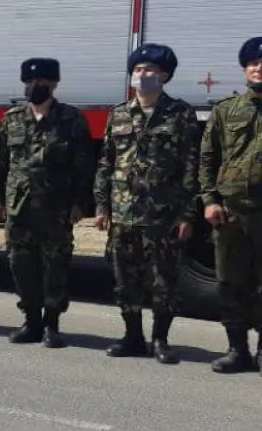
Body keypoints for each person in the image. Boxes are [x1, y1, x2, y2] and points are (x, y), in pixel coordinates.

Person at [93, 43, 199, 365]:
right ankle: (132, 337)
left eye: (150, 70)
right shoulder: (119, 113)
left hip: (163, 216)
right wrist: (101, 207)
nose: (143, 75)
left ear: (164, 75)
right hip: (124, 214)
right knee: (126, 281)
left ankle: (160, 340)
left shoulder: (180, 114)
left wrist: (187, 213)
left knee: (163, 281)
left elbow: (191, 166)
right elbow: (106, 163)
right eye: (138, 70)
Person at [0, 57, 95, 349]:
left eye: (43, 82)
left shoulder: (71, 119)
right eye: (31, 82)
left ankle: (52, 325)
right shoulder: (11, 119)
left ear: (54, 84)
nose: (36, 86)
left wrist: (79, 204)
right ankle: (31, 321)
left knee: (55, 266)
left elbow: (84, 166)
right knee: (20, 265)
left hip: (56, 210)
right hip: (19, 209)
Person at [198, 36, 262, 373]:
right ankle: (237, 349)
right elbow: (208, 159)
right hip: (232, 212)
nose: (258, 68)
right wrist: (210, 200)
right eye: (252, 63)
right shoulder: (226, 110)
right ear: (244, 69)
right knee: (230, 282)